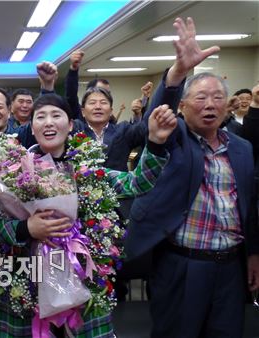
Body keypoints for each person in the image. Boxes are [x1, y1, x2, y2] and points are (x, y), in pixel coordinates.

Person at [0, 93, 177, 337]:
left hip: (84, 284)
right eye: (40, 117)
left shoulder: (90, 170)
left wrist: (156, 143)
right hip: (26, 285)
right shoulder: (10, 172)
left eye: (56, 115)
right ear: (32, 128)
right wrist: (26, 229)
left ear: (71, 125)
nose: (49, 122)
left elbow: (138, 184)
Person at [125, 17, 259, 337]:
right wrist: (178, 73)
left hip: (230, 267)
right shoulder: (176, 137)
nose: (209, 104)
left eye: (216, 98)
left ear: (227, 107)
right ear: (183, 106)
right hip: (181, 266)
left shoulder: (241, 148)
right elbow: (159, 113)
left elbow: (249, 205)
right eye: (200, 98)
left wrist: (253, 253)